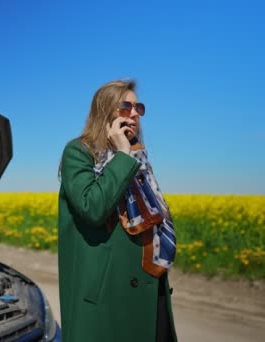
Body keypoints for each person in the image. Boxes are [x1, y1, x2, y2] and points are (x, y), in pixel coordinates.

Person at [57, 80, 178, 341]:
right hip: (108, 298)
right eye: (126, 106)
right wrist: (122, 155)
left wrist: (127, 155)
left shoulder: (138, 159)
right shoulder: (79, 152)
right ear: (105, 110)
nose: (135, 113)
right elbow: (93, 208)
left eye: (138, 107)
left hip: (150, 286)